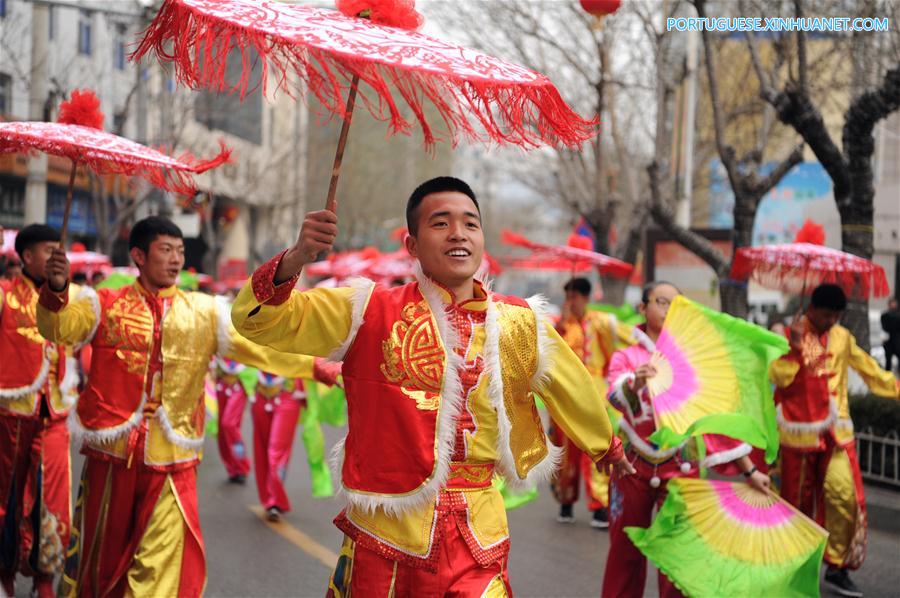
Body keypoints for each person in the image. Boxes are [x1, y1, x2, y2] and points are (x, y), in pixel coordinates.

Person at [232, 176, 633, 597]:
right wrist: (296, 258)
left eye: (470, 224)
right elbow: (258, 321)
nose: (458, 233)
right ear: (412, 245)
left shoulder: (518, 322)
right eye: (441, 223)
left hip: (479, 533)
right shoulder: (366, 309)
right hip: (385, 531)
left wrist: (607, 446)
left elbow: (571, 385)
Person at [37, 216, 322, 598]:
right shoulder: (102, 303)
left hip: (173, 459)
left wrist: (317, 366)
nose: (175, 259)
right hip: (112, 455)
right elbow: (59, 329)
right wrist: (56, 288)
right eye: (165, 250)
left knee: (164, 567)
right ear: (139, 256)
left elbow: (261, 350)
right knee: (102, 563)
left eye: (180, 251)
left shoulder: (205, 311)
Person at [602, 281, 770, 598]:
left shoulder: (693, 362)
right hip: (631, 468)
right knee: (624, 552)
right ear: (642, 308)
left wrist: (750, 470)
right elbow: (614, 393)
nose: (669, 310)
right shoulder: (627, 356)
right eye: (662, 302)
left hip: (682, 467)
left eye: (677, 306)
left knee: (679, 557)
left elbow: (716, 420)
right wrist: (636, 383)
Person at [770, 284, 899, 597]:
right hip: (799, 431)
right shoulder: (794, 333)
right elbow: (778, 377)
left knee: (846, 497)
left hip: (837, 432)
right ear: (812, 308)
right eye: (827, 315)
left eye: (836, 316)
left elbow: (867, 367)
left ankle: (838, 566)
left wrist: (895, 388)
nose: (831, 321)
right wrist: (794, 348)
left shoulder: (841, 337)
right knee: (796, 502)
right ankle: (794, 565)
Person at [0, 225, 79, 598]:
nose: (55, 256)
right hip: (10, 415)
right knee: (8, 497)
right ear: (26, 257)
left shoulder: (72, 297)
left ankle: (46, 576)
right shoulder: (5, 296)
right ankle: (5, 571)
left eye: (58, 249)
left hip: (55, 415)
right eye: (48, 250)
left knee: (53, 497)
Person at [551, 277, 635, 528]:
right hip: (565, 397)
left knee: (597, 449)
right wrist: (563, 327)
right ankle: (565, 502)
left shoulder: (600, 322)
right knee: (566, 452)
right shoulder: (558, 325)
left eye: (574, 297)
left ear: (585, 298)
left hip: (595, 395)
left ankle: (599, 505)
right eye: (567, 297)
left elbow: (628, 340)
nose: (570, 302)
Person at [252, 364, 340, 522]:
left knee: (275, 451)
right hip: (260, 393)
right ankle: (267, 497)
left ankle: (275, 501)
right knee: (261, 448)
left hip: (288, 395)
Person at [214, 357, 254, 484]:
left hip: (240, 382)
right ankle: (232, 468)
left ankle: (242, 466)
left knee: (229, 424)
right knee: (222, 430)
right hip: (222, 382)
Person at [881, 297, 900, 373]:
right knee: (888, 360)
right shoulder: (885, 315)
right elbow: (885, 327)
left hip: (897, 341)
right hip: (888, 341)